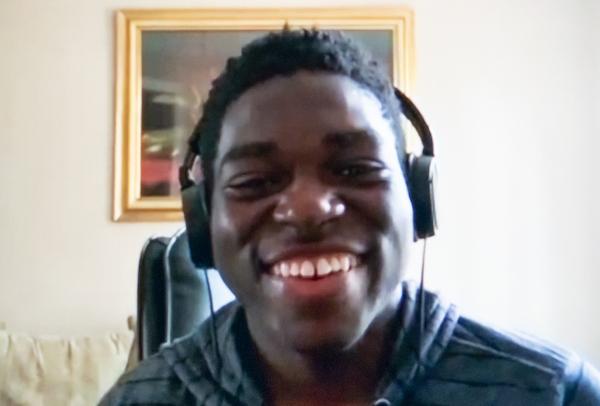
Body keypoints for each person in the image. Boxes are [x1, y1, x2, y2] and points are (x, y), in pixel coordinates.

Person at [101, 29, 600, 405]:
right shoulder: (140, 400)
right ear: (204, 221)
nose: (308, 207)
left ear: (416, 200)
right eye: (255, 181)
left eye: (354, 168)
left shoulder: (552, 393)